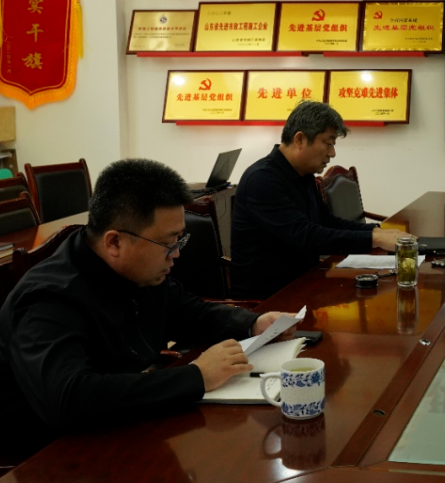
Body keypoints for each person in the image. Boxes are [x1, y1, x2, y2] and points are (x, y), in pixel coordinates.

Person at [0, 159, 292, 457]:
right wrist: (196, 376)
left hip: (121, 428)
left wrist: (253, 323)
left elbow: (191, 313)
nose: (176, 254)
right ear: (114, 242)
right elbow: (69, 399)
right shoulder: (47, 299)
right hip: (49, 454)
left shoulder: (139, 271)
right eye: (168, 243)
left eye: (179, 240)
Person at [230, 101, 408, 298]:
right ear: (300, 139)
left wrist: (377, 231)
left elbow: (327, 222)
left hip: (304, 284)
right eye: (328, 143)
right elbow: (306, 236)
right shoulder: (262, 180)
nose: (332, 153)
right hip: (267, 300)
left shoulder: (303, 174)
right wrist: (374, 239)